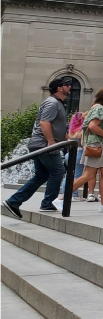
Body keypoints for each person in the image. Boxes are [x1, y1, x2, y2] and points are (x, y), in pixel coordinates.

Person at [2, 78, 73, 219]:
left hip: (40, 143)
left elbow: (57, 127)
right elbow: (44, 122)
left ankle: (14, 201)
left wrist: (68, 141)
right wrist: (51, 142)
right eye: (67, 85)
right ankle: (48, 203)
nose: (69, 87)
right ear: (59, 88)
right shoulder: (52, 103)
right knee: (58, 171)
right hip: (43, 144)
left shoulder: (56, 103)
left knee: (42, 175)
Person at [72, 88, 103, 212]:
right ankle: (61, 197)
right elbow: (92, 126)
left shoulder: (96, 108)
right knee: (89, 174)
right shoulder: (99, 108)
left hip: (101, 146)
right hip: (98, 145)